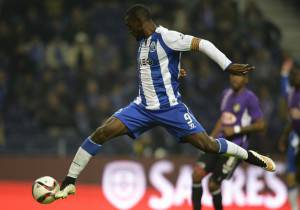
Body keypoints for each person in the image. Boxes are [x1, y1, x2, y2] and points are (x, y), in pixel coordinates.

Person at [54, 4, 275, 199]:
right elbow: (153, 68)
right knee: (101, 132)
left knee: (208, 145)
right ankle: (70, 181)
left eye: (130, 25)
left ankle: (250, 156)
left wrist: (227, 65)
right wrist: (174, 72)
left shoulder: (167, 36)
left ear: (141, 22)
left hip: (171, 109)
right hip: (141, 108)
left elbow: (203, 43)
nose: (129, 30)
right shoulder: (141, 42)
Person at [191, 72, 266, 210]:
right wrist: (209, 139)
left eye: (238, 75)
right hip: (218, 143)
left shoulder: (251, 98)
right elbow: (223, 118)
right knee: (197, 174)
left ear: (246, 79)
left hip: (235, 148)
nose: (234, 78)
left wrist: (236, 130)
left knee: (213, 184)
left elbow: (261, 125)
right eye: (232, 74)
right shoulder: (226, 93)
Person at [278, 58, 300, 210]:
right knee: (291, 174)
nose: (296, 77)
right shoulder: (291, 93)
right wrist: (284, 72)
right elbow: (284, 86)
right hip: (295, 137)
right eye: (295, 75)